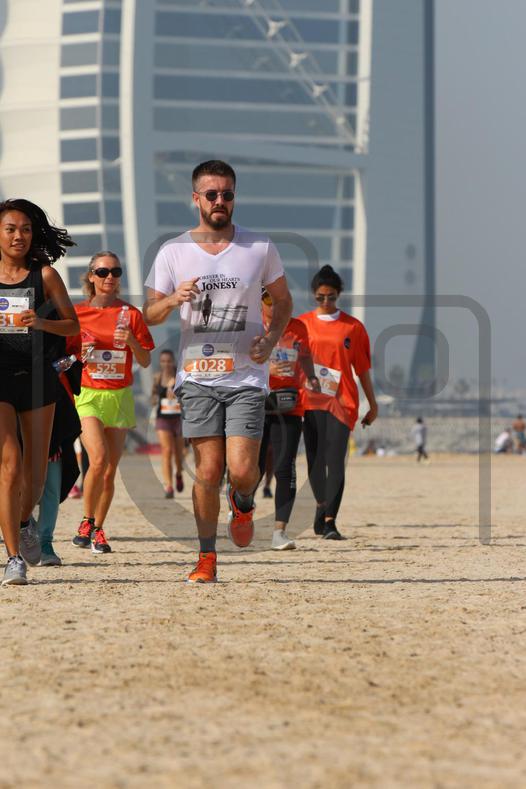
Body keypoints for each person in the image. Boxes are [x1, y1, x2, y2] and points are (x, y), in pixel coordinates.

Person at [143, 159, 292, 583]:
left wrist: (271, 338)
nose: (220, 201)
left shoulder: (259, 246)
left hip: (246, 376)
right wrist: (172, 300)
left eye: (227, 194)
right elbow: (148, 314)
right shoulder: (173, 251)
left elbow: (283, 302)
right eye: (212, 194)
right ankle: (206, 557)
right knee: (208, 471)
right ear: (196, 199)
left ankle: (242, 502)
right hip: (197, 376)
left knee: (242, 471)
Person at [0, 198, 79, 585]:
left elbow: (72, 326)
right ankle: (13, 557)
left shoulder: (44, 275)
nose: (19, 236)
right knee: (10, 466)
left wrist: (42, 323)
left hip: (36, 378)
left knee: (34, 475)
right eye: (11, 229)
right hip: (0, 376)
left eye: (26, 229)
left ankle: (22, 521)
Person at [71, 252, 154, 554]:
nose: (110, 277)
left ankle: (98, 529)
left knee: (108, 471)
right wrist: (81, 351)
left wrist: (131, 341)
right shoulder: (77, 314)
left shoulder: (131, 314)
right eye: (103, 272)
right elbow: (62, 356)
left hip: (119, 396)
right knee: (98, 459)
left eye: (116, 272)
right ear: (91, 276)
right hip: (88, 395)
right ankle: (86, 519)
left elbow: (145, 360)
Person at [298, 265, 377, 540]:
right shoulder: (302, 325)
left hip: (342, 401)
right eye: (320, 297)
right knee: (315, 461)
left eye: (330, 297)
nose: (326, 301)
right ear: (313, 295)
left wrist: (372, 404)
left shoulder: (353, 327)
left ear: (339, 294)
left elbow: (362, 369)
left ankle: (330, 521)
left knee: (335, 460)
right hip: (310, 400)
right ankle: (321, 505)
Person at [258, 289, 320, 550]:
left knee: (285, 468)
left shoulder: (298, 328)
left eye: (281, 300)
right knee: (252, 468)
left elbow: (305, 356)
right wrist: (266, 367)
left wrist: (312, 376)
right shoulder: (249, 325)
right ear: (260, 301)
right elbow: (236, 360)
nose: (275, 304)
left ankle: (279, 532)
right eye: (268, 299)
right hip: (255, 401)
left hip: (290, 403)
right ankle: (239, 512)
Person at [151, 349, 185, 498]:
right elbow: (153, 396)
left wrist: (176, 391)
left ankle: (179, 473)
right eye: (163, 361)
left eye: (169, 361)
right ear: (160, 362)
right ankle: (168, 486)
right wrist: (155, 399)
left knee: (178, 453)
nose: (166, 364)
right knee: (166, 450)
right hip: (162, 418)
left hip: (178, 419)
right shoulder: (157, 377)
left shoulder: (180, 377)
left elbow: (188, 395)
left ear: (173, 361)